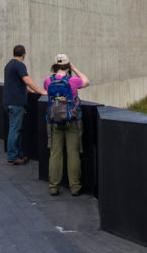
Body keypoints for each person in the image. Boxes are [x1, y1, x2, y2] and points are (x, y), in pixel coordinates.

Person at [44, 54, 89, 196]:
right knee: (73, 153)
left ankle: (53, 186)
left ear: (55, 65)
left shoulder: (48, 81)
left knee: (55, 153)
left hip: (54, 121)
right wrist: (74, 69)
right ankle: (75, 187)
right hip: (72, 120)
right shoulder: (73, 81)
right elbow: (87, 81)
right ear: (68, 65)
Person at [3, 45, 45, 165]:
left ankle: (18, 154)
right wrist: (40, 91)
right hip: (16, 103)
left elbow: (15, 83)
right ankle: (12, 157)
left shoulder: (9, 65)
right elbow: (26, 79)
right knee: (15, 129)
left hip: (8, 101)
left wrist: (28, 90)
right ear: (23, 54)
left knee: (15, 128)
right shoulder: (19, 65)